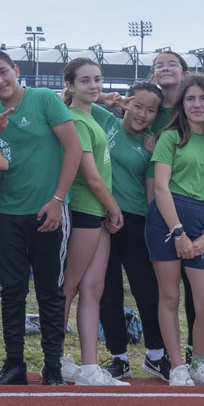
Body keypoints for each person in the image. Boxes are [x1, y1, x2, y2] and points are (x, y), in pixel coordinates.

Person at [0, 48, 82, 386]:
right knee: (12, 291)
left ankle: (52, 366)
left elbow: (73, 148)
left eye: (3, 72)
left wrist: (57, 200)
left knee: (51, 290)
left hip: (47, 211)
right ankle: (14, 365)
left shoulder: (44, 100)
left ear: (15, 70)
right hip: (8, 214)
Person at [147, 74, 204, 387]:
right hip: (167, 222)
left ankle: (199, 364)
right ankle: (178, 368)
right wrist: (179, 233)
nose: (197, 105)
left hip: (203, 224)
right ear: (181, 104)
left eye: (203, 98)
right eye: (190, 99)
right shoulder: (171, 137)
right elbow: (160, 187)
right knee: (169, 297)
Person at [59, 58, 126, 386]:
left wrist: (108, 211)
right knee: (69, 287)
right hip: (86, 210)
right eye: (85, 81)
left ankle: (89, 367)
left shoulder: (93, 117)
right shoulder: (75, 121)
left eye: (97, 79)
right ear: (70, 86)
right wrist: (114, 208)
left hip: (99, 214)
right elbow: (92, 177)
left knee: (93, 288)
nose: (94, 86)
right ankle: (54, 357)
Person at [99, 81, 164, 381]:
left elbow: (152, 192)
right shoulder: (104, 119)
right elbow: (67, 99)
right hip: (101, 217)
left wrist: (155, 228)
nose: (142, 114)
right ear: (126, 102)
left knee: (147, 290)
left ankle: (155, 355)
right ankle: (118, 356)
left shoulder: (151, 145)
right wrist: (105, 98)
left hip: (135, 220)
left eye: (151, 110)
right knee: (108, 291)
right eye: (137, 105)